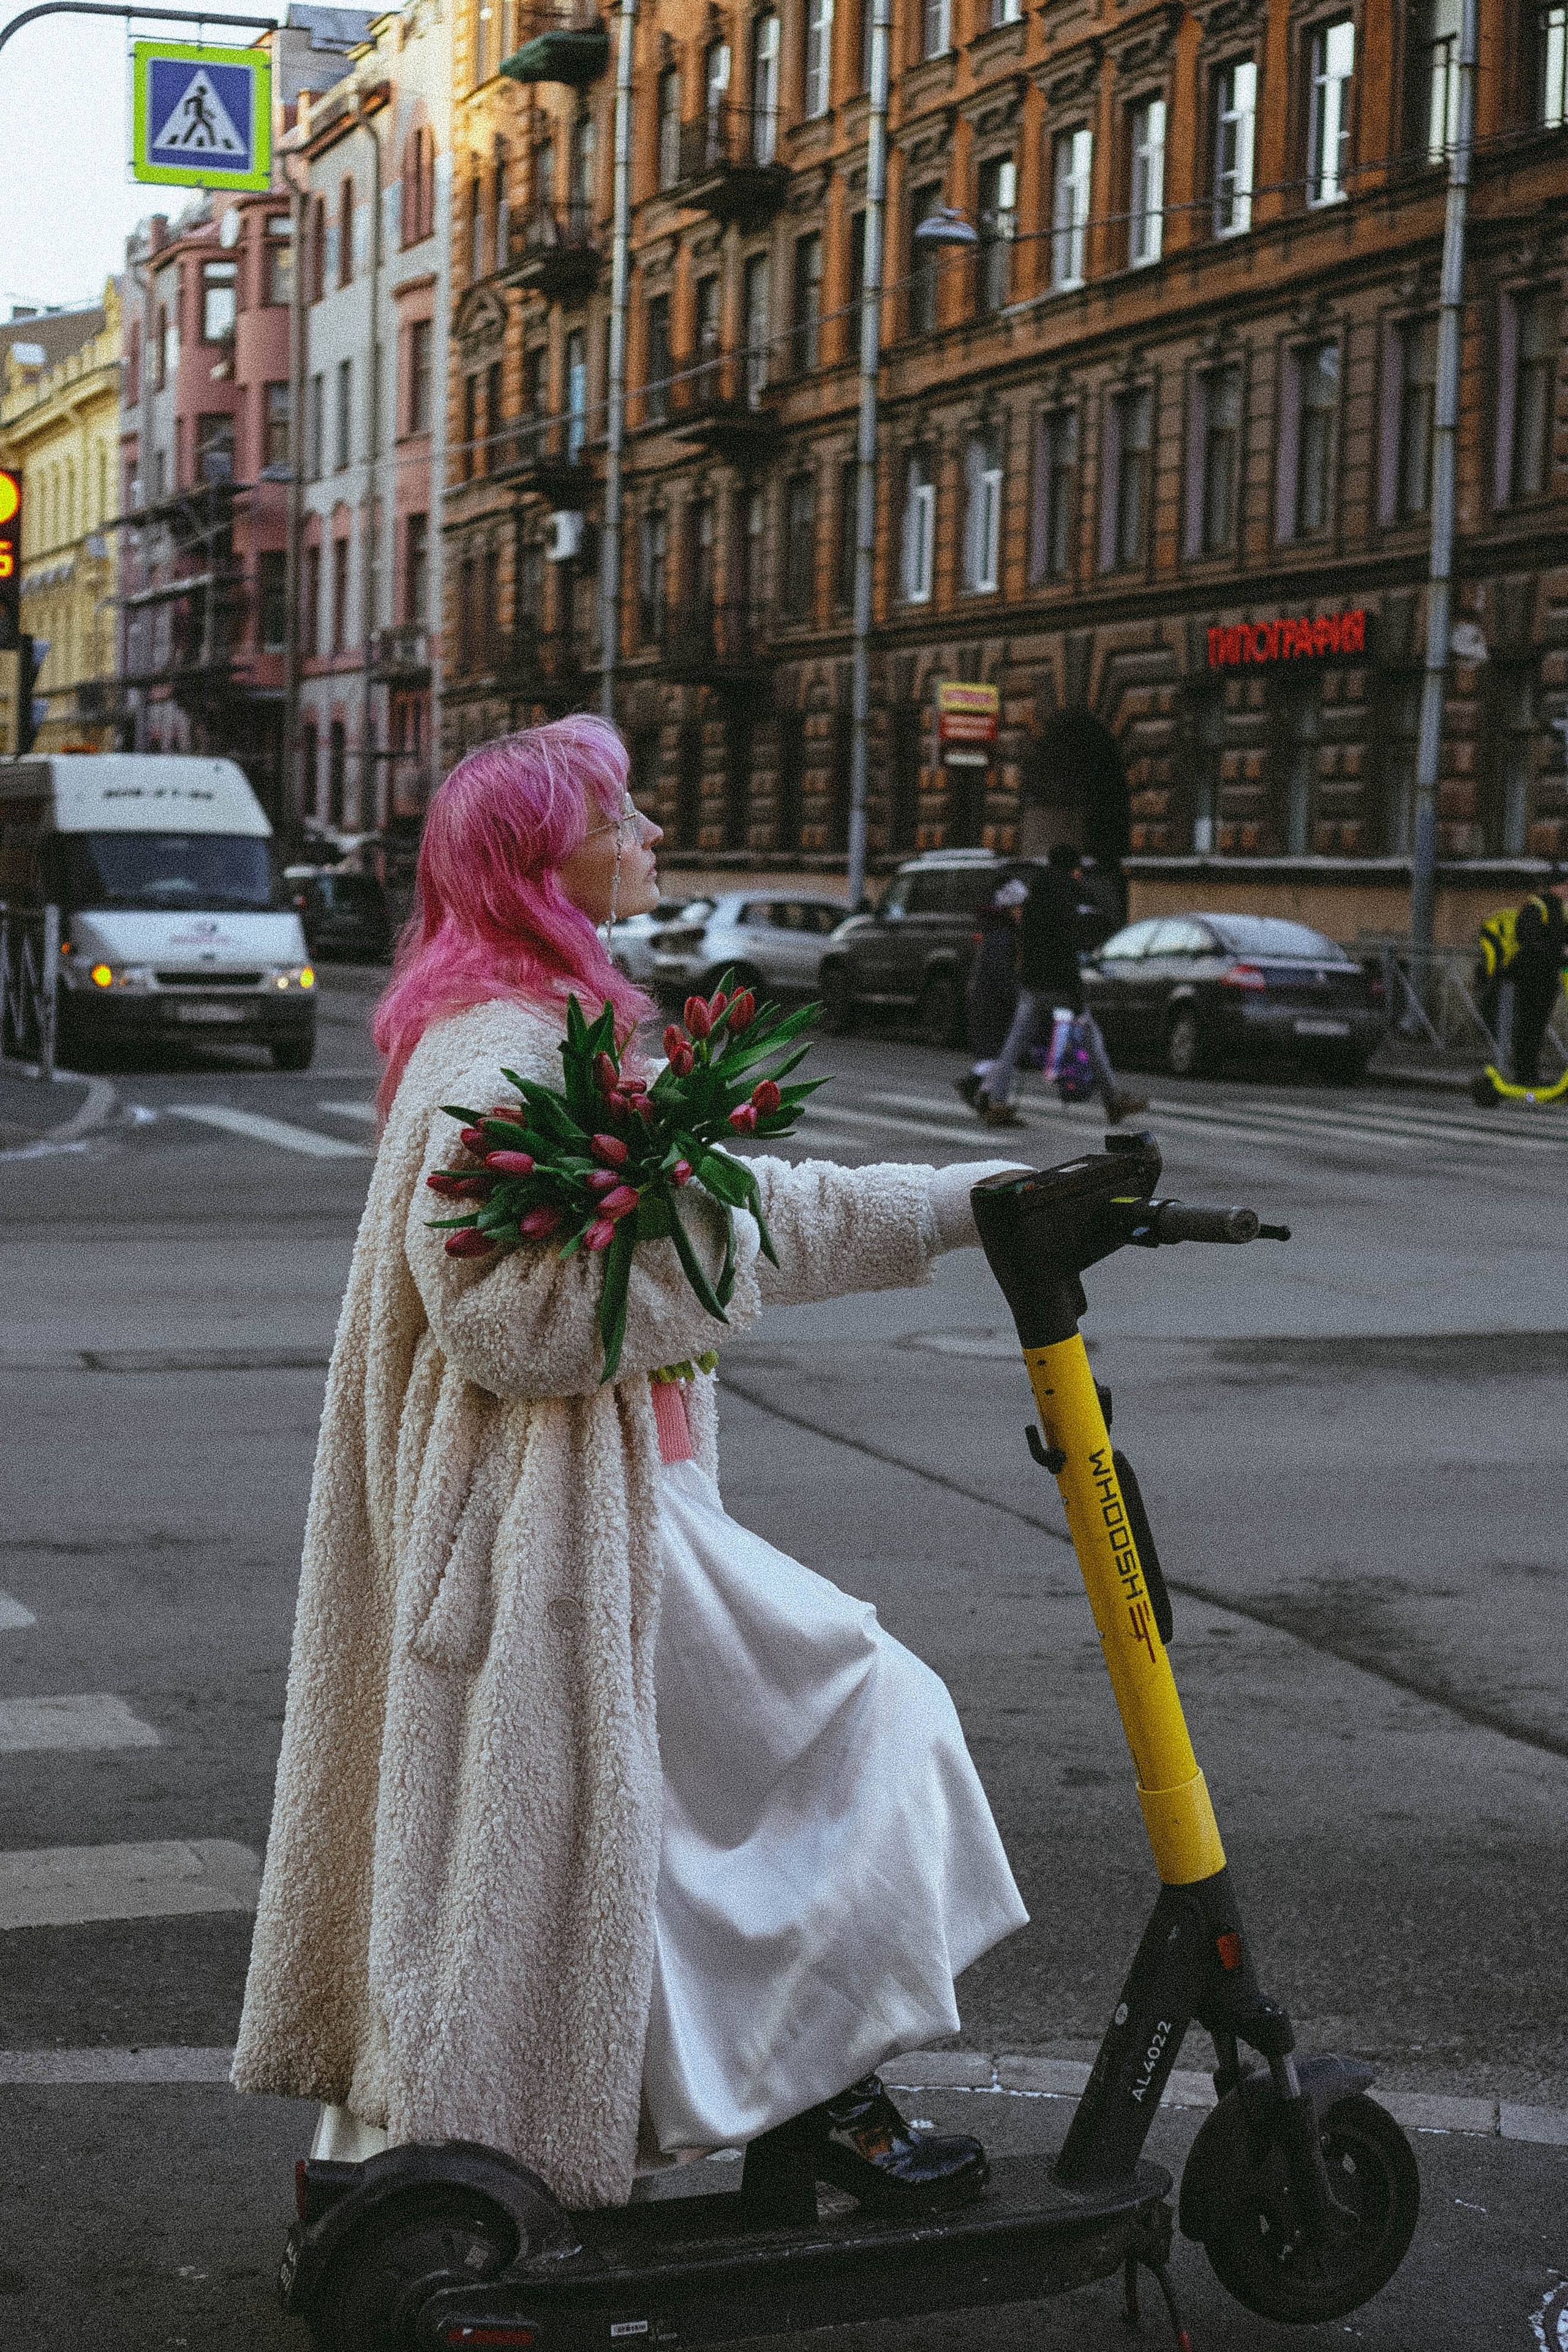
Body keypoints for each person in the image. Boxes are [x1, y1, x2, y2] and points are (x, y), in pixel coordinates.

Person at [232, 716, 1030, 2217]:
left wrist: (947, 1204)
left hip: (594, 1508)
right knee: (870, 1716)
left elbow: (695, 1216)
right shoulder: (507, 1044)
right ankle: (791, 2110)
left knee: (620, 1837)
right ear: (554, 857)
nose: (651, 829)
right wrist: (818, 1227)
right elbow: (509, 1309)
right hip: (560, 1523)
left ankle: (752, 2115)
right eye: (623, 811)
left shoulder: (523, 1020)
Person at [975, 845, 1147, 1129]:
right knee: (1091, 1037)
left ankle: (996, 1101)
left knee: (1015, 1041)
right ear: (1073, 868)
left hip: (1032, 980)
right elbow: (1064, 949)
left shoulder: (1034, 895)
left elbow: (1028, 939)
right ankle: (1114, 1101)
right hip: (1059, 982)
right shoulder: (1064, 897)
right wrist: (1076, 992)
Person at [954, 876, 1025, 1110]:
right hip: (991, 1004)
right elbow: (1000, 974)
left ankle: (983, 1095)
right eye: (1018, 908)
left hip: (988, 1001)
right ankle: (975, 1088)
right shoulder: (1002, 937)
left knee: (1000, 1056)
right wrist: (1016, 999)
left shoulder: (1000, 933)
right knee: (1000, 1055)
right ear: (1008, 909)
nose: (1021, 913)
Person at [1510, 865, 1568, 1086]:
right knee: (1528, 1025)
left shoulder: (1560, 909)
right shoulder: (1537, 907)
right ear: (1556, 886)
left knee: (1537, 1026)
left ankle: (1531, 1074)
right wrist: (1559, 951)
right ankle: (1524, 1075)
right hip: (1531, 975)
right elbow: (1528, 939)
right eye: (1565, 885)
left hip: (1548, 977)